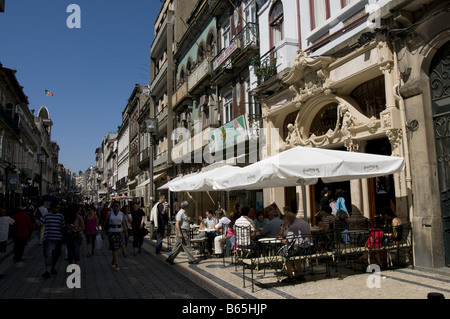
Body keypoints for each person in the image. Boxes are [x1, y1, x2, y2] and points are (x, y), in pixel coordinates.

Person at [278, 212, 314, 283]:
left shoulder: (293, 227)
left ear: (288, 220)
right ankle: (300, 274)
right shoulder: (304, 222)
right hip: (310, 248)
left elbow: (288, 242)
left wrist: (280, 239)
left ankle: (290, 276)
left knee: (287, 255)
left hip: (302, 249)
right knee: (294, 254)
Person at [36, 201, 65, 279]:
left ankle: (52, 267)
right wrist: (35, 220)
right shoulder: (47, 216)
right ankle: (47, 271)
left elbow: (62, 227)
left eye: (59, 208)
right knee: (48, 255)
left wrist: (63, 237)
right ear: (52, 208)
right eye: (57, 207)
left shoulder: (61, 216)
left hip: (58, 238)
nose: (58, 209)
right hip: (49, 238)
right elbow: (39, 223)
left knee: (57, 255)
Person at [102, 201, 128, 270]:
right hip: (111, 232)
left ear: (119, 207)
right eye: (114, 206)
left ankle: (113, 260)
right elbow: (105, 223)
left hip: (119, 232)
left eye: (117, 206)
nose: (116, 207)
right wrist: (103, 232)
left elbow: (124, 223)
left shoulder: (121, 214)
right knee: (115, 247)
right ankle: (117, 263)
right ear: (112, 207)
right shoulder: (109, 213)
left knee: (116, 247)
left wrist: (126, 231)